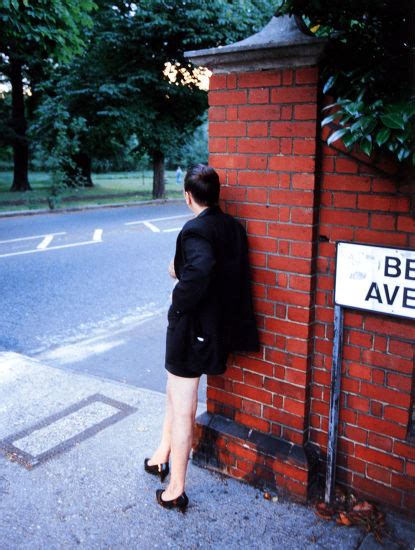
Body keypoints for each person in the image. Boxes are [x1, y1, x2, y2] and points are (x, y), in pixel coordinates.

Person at [144, 164, 259, 512]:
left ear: (188, 196)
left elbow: (202, 269)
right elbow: (221, 270)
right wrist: (184, 269)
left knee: (184, 406)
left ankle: (176, 488)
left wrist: (177, 299)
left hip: (192, 329)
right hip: (214, 329)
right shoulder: (233, 228)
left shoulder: (195, 230)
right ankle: (161, 454)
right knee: (174, 391)